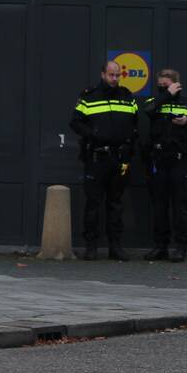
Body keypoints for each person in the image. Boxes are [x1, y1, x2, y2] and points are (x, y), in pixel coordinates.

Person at [69, 60, 139, 261]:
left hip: (119, 159)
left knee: (116, 204)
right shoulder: (89, 96)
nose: (115, 78)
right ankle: (91, 247)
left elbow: (135, 124)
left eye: (117, 75)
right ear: (103, 74)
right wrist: (93, 135)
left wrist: (129, 144)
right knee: (93, 204)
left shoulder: (127, 96)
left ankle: (115, 247)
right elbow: (75, 122)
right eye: (111, 75)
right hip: (97, 158)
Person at [142, 68, 187, 262]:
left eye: (167, 85)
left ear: (176, 84)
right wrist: (166, 95)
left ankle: (180, 247)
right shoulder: (154, 102)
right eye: (160, 86)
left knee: (180, 206)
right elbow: (148, 111)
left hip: (180, 160)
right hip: (159, 160)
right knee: (159, 206)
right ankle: (160, 246)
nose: (162, 88)